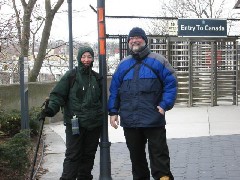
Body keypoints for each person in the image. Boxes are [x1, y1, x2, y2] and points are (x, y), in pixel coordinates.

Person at [108, 27, 178, 180]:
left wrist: (165, 104)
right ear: (128, 42)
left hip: (153, 119)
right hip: (130, 122)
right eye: (131, 38)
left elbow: (171, 83)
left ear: (145, 40)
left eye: (138, 37)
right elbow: (114, 89)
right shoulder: (123, 65)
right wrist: (113, 112)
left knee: (160, 159)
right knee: (137, 161)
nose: (134, 40)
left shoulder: (158, 61)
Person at [41, 46, 103, 180]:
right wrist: (51, 109)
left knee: (88, 155)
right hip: (75, 124)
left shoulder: (97, 78)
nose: (86, 60)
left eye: (89, 57)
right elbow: (58, 95)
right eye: (83, 57)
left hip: (93, 125)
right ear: (79, 58)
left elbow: (103, 101)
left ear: (93, 59)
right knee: (73, 155)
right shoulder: (71, 76)